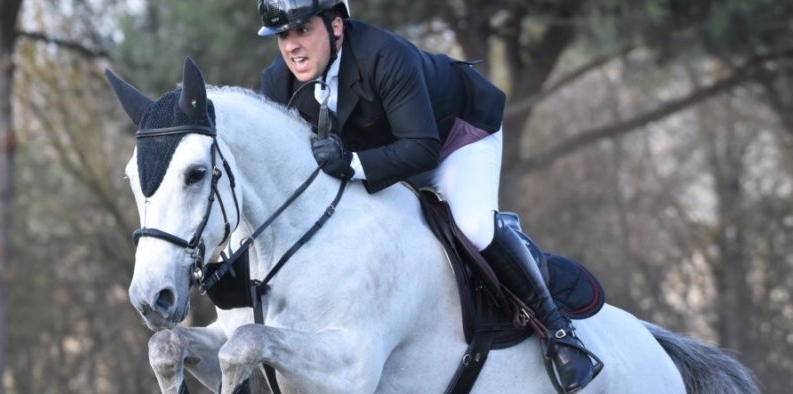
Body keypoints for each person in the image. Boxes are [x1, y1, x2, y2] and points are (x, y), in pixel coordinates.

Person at [257, 0, 600, 392]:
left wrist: (351, 164)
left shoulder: (384, 56)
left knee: (472, 228)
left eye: (303, 30)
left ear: (336, 27)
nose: (292, 46)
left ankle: (558, 332)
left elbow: (422, 149)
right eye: (283, 35)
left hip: (456, 138)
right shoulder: (277, 85)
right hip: (385, 154)